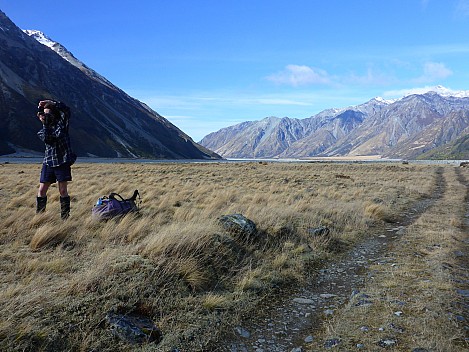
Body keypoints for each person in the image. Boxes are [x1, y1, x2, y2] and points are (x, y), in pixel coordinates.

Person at [36, 99, 77, 219]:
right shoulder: (43, 131)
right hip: (49, 162)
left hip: (62, 161)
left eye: (49, 114)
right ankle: (40, 216)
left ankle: (65, 218)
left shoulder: (62, 125)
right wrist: (44, 120)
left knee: (63, 191)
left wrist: (52, 102)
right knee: (42, 190)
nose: (46, 116)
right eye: (45, 114)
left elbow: (66, 110)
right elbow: (48, 138)